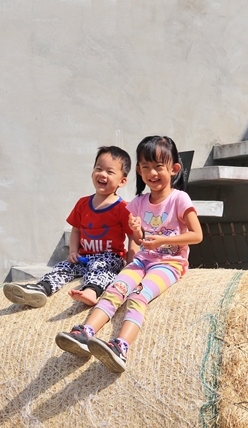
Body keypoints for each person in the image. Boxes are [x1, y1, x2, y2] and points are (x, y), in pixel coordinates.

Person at [55, 135, 202, 373]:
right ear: (139, 171)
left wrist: (165, 240)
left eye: (158, 167)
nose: (152, 173)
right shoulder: (138, 203)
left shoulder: (179, 198)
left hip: (169, 263)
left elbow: (197, 235)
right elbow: (139, 240)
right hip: (144, 260)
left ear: (174, 169)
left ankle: (121, 346)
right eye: (145, 167)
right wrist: (136, 233)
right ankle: (85, 332)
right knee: (116, 289)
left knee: (137, 297)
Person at [4, 146, 135, 308]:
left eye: (110, 172)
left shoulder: (123, 208)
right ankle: (41, 289)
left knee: (101, 270)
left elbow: (132, 236)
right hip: (84, 258)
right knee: (62, 267)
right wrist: (73, 251)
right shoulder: (82, 204)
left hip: (110, 257)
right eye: (98, 169)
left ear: (122, 181)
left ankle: (91, 292)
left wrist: (130, 264)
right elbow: (76, 230)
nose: (102, 174)